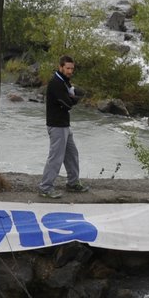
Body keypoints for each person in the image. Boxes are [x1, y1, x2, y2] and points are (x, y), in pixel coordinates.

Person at [40, 55, 86, 199]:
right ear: (60, 67)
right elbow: (67, 104)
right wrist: (75, 98)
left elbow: (72, 97)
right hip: (56, 125)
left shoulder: (64, 82)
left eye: (72, 68)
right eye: (67, 68)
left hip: (64, 125)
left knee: (72, 154)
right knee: (56, 158)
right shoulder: (56, 83)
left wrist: (73, 97)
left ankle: (73, 183)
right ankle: (45, 187)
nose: (70, 71)